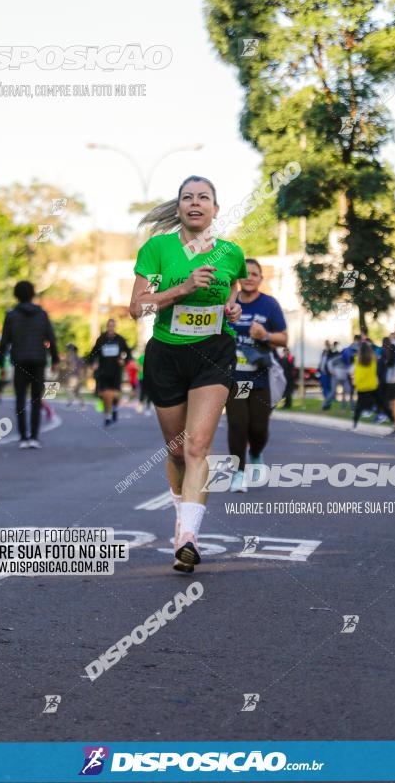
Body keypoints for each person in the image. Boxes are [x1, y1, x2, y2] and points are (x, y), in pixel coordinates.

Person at [129, 175, 246, 572]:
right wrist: (180, 290)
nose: (195, 203)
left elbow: (233, 290)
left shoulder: (231, 252)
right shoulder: (158, 249)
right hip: (166, 356)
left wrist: (232, 309)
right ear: (178, 207)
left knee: (198, 447)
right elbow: (137, 308)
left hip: (213, 353)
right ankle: (183, 518)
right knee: (177, 450)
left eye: (203, 198)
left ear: (215, 208)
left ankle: (189, 538)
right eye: (187, 198)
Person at [224, 258, 287, 492]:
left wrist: (265, 336)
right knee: (238, 424)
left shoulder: (269, 304)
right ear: (238, 278)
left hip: (260, 375)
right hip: (237, 378)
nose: (249, 277)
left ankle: (256, 452)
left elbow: (284, 338)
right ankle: (238, 473)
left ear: (261, 278)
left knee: (259, 429)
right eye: (246, 273)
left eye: (254, 274)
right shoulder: (228, 302)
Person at [0, 280, 59, 449]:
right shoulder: (42, 314)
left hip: (20, 361)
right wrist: (54, 360)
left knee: (20, 399)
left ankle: (23, 437)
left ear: (16, 295)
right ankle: (34, 437)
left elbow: (4, 342)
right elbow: (51, 339)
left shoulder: (11, 315)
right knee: (36, 399)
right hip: (38, 361)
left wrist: (1, 364)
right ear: (33, 294)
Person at [86, 319, 131, 427]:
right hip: (104, 371)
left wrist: (124, 361)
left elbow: (128, 353)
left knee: (115, 395)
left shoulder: (120, 339)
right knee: (106, 395)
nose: (111, 328)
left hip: (116, 372)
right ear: (107, 326)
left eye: (113, 326)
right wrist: (93, 364)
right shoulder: (101, 339)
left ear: (115, 327)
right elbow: (92, 354)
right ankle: (107, 417)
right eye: (109, 326)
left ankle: (114, 408)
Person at [352, 342, 392, 428]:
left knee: (359, 406)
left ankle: (355, 423)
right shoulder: (373, 359)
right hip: (372, 385)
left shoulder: (357, 359)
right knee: (382, 404)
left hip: (361, 386)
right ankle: (393, 420)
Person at [64, 343, 85, 408]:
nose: (68, 351)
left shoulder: (72, 357)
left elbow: (71, 367)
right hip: (76, 376)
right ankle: (81, 404)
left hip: (74, 376)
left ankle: (70, 401)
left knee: (70, 389)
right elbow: (81, 368)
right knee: (76, 391)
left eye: (69, 349)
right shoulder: (78, 358)